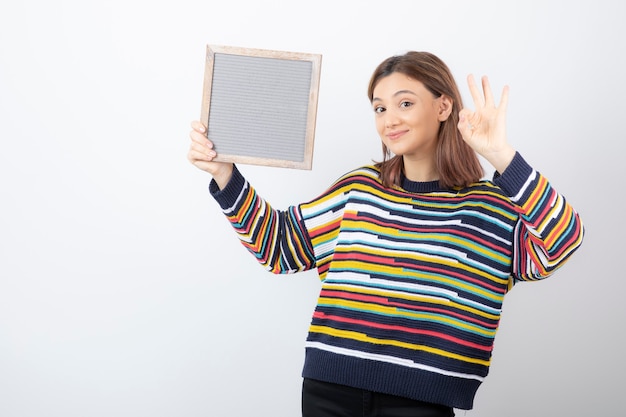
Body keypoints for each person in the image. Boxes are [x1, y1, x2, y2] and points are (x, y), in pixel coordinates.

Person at [187, 51, 584, 416]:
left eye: (405, 103)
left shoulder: (490, 207)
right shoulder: (360, 188)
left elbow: (563, 240)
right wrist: (225, 174)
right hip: (328, 392)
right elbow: (279, 248)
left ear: (443, 106)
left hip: (423, 401)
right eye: (379, 108)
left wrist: (500, 154)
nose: (389, 119)